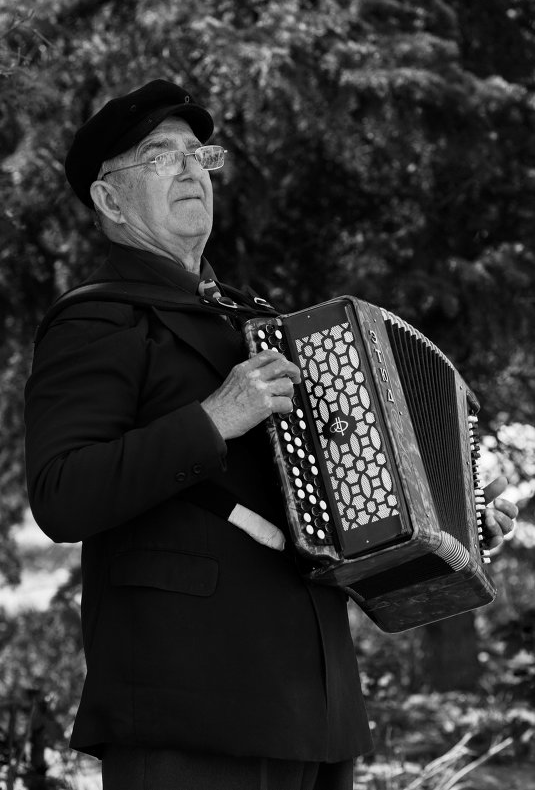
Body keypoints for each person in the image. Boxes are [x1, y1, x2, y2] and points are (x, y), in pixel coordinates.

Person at [24, 79, 518, 790]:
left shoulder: (254, 323)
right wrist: (213, 418)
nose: (192, 169)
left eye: (199, 155)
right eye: (160, 157)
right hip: (189, 700)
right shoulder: (98, 321)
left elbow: (347, 496)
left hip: (311, 702)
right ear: (109, 200)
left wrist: (463, 521)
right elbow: (61, 494)